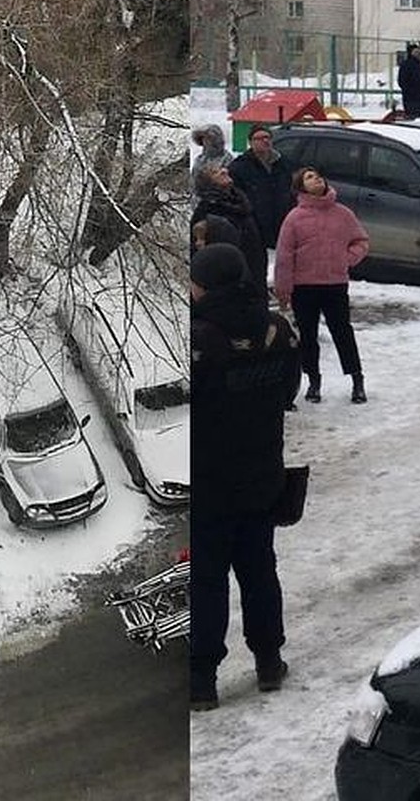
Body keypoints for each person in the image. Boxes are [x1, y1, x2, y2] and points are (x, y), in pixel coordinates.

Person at [190, 243, 301, 712]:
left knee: (207, 581)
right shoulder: (277, 331)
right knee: (260, 571)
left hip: (210, 484)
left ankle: (201, 681)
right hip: (261, 475)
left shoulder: (199, 341)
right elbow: (289, 390)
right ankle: (269, 662)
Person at [273, 166, 370, 404]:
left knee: (343, 332)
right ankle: (314, 381)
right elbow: (284, 256)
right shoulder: (294, 218)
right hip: (304, 286)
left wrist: (347, 259)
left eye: (317, 176)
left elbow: (361, 241)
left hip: (335, 284)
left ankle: (357, 380)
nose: (316, 180)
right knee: (308, 335)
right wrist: (283, 289)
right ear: (300, 187)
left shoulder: (342, 213)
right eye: (309, 178)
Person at [191, 163, 269, 294]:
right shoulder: (206, 211)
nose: (223, 171)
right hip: (228, 285)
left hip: (256, 277)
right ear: (207, 183)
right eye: (215, 172)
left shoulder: (244, 203)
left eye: (222, 168)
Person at [228, 124, 294, 250]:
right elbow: (234, 197)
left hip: (280, 223)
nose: (265, 141)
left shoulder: (283, 163)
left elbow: (290, 189)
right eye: (259, 138)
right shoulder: (239, 167)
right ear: (250, 143)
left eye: (267, 137)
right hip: (254, 227)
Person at [191, 125, 233, 189]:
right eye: (204, 139)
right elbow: (193, 182)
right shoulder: (199, 160)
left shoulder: (227, 159)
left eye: (209, 138)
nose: (206, 142)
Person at [397, 43, 420, 118]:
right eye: (415, 52)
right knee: (414, 118)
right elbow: (402, 82)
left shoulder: (417, 65)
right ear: (410, 53)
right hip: (411, 100)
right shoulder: (406, 65)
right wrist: (412, 92)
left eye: (419, 52)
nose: (418, 54)